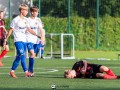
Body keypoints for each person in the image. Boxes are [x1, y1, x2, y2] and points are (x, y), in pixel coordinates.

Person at [4, 4, 40, 78]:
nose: (27, 12)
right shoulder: (15, 20)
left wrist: (36, 34)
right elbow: (10, 30)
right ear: (21, 11)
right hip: (18, 40)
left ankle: (12, 71)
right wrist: (6, 39)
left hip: (24, 40)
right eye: (26, 10)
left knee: (19, 56)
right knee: (22, 54)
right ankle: (26, 72)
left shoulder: (26, 20)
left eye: (27, 10)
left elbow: (29, 29)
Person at [26, 6, 44, 76]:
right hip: (29, 39)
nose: (37, 13)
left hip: (36, 41)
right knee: (32, 54)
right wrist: (37, 35)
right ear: (32, 12)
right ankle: (30, 71)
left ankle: (30, 70)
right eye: (36, 12)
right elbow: (29, 30)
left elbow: (41, 29)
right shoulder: (27, 20)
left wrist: (42, 38)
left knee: (33, 56)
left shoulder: (38, 19)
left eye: (37, 12)